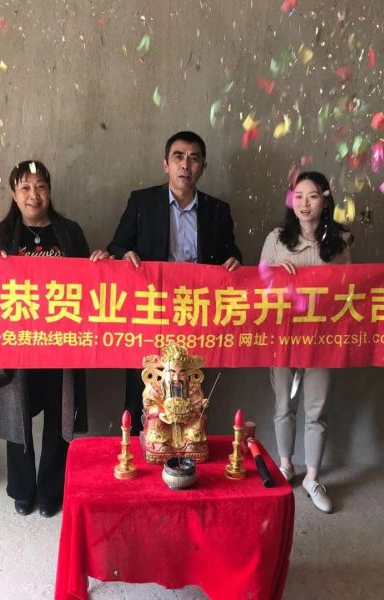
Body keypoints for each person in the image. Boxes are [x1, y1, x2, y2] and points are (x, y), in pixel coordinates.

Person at [90, 131, 242, 433]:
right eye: (178, 156)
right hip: (149, 314)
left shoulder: (217, 210)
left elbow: (232, 254)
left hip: (194, 315)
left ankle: (185, 452)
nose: (186, 164)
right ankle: (139, 448)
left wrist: (235, 261)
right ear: (165, 164)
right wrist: (124, 253)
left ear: (203, 167)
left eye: (194, 158)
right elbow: (117, 245)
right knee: (143, 391)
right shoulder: (142, 202)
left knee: (188, 389)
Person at [0, 160, 89, 517]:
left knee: (59, 420)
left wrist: (100, 262)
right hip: (17, 345)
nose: (33, 194)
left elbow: (90, 284)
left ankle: (50, 492)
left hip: (61, 343)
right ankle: (23, 490)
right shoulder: (0, 234)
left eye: (40, 186)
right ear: (14, 194)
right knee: (18, 419)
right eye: (25, 188)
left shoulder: (70, 232)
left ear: (50, 190)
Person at [260, 171, 352, 514]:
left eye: (312, 196)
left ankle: (313, 478)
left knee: (317, 411)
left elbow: (351, 289)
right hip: (283, 336)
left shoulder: (340, 241)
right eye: (298, 196)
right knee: (283, 406)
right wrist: (274, 272)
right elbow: (256, 285)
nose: (304, 203)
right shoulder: (276, 238)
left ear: (325, 200)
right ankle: (286, 465)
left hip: (322, 339)